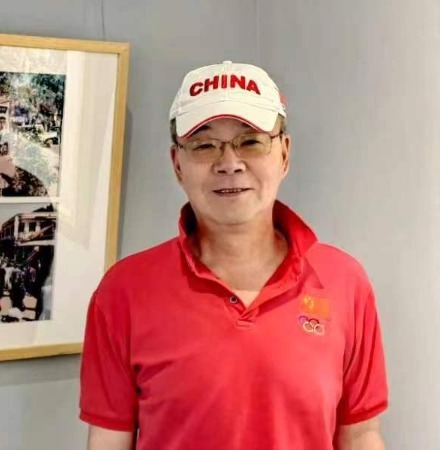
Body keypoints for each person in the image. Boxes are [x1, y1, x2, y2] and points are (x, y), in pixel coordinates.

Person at [79, 61, 388, 450]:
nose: (229, 163)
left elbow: (360, 434)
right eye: (204, 145)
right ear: (177, 164)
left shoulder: (344, 281)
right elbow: (108, 439)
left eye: (250, 141)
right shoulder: (123, 291)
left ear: (284, 154)